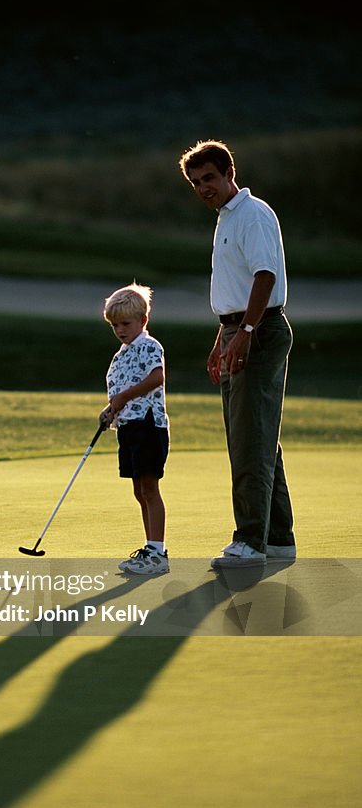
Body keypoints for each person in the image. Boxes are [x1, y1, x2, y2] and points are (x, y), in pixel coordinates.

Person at [178, 139, 296, 568]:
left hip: (259, 332)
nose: (203, 188)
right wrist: (222, 337)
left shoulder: (252, 213)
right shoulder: (227, 218)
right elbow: (236, 287)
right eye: (195, 182)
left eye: (208, 178)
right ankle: (278, 539)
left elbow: (265, 276)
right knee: (258, 438)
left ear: (229, 173)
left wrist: (245, 331)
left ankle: (249, 541)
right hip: (238, 330)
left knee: (250, 440)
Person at [99, 282, 170, 575]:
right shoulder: (121, 354)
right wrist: (110, 409)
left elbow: (157, 378)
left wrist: (123, 398)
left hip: (149, 427)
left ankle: (158, 553)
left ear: (143, 320)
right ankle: (150, 548)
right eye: (114, 325)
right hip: (129, 428)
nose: (120, 329)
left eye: (125, 323)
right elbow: (120, 390)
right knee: (139, 491)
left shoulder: (149, 346)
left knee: (150, 489)